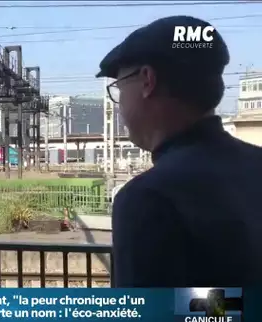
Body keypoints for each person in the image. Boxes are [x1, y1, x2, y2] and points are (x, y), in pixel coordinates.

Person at [96, 15, 262, 287]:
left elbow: (153, 319)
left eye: (119, 87)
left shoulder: (148, 198)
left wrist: (237, 307)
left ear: (147, 80)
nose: (120, 105)